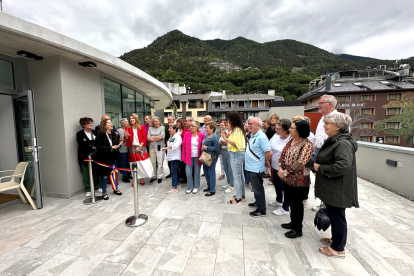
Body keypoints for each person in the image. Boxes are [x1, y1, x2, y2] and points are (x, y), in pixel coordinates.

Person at [313, 113, 358, 258]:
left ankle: (338, 248)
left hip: (337, 188)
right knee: (334, 215)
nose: (324, 125)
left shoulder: (342, 143)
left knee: (337, 216)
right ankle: (336, 240)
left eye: (328, 123)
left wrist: (319, 168)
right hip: (332, 186)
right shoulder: (335, 140)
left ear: (338, 126)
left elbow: (343, 166)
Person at [278, 120, 313, 238]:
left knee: (297, 205)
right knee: (292, 202)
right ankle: (293, 223)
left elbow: (301, 162)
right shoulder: (291, 140)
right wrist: (280, 168)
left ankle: (297, 229)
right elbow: (283, 155)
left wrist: (286, 172)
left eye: (292, 128)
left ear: (299, 130)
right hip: (287, 178)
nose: (289, 130)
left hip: (299, 180)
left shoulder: (307, 144)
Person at [313, 95, 340, 211]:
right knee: (321, 179)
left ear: (330, 104)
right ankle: (323, 203)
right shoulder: (322, 117)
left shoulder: (337, 118)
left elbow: (341, 138)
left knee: (328, 179)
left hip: (329, 152)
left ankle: (328, 205)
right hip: (320, 151)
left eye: (321, 103)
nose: (318, 105)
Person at [245, 117, 273, 217]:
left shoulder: (261, 137)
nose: (249, 125)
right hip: (251, 167)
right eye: (248, 123)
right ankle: (258, 202)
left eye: (251, 123)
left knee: (258, 189)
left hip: (256, 168)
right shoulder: (253, 135)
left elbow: (269, 152)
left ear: (257, 125)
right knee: (256, 187)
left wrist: (263, 161)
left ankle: (261, 210)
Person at [94, 119, 123, 200]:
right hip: (104, 158)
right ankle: (104, 192)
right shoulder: (100, 135)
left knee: (114, 173)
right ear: (105, 125)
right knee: (104, 176)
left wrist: (119, 145)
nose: (111, 124)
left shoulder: (114, 135)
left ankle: (115, 188)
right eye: (109, 123)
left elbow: (115, 144)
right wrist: (110, 147)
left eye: (111, 122)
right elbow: (99, 147)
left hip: (114, 157)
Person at [268, 119, 291, 215]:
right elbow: (269, 147)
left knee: (285, 188)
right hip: (274, 165)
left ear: (286, 130)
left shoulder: (291, 139)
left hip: (285, 168)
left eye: (279, 129)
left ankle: (285, 208)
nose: (276, 130)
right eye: (275, 128)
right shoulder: (275, 136)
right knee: (276, 184)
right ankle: (278, 200)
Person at [222, 111, 246, 204]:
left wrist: (226, 139)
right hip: (237, 154)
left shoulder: (236, 130)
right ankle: (241, 195)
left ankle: (239, 198)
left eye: (228, 121)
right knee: (240, 176)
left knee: (237, 177)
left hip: (236, 154)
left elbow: (237, 144)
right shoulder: (238, 129)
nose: (227, 123)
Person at [76, 117, 101, 197]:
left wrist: (89, 143)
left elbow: (98, 142)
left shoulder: (95, 132)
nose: (91, 124)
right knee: (86, 172)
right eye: (88, 123)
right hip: (85, 156)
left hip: (96, 155)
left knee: (97, 171)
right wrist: (91, 143)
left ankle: (97, 186)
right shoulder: (80, 134)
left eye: (91, 122)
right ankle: (88, 189)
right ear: (83, 125)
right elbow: (83, 145)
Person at [126, 114, 152, 186]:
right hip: (132, 148)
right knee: (133, 164)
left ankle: (141, 178)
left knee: (142, 164)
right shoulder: (128, 128)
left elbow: (144, 138)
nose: (131, 120)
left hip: (141, 147)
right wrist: (126, 136)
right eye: (130, 118)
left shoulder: (141, 127)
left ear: (136, 119)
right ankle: (135, 180)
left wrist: (139, 147)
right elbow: (126, 139)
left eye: (133, 118)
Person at [182, 121, 204, 194]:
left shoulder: (201, 135)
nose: (191, 127)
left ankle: (196, 187)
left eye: (193, 126)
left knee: (197, 173)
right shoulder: (186, 134)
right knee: (188, 173)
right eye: (190, 126)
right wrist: (183, 157)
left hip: (198, 157)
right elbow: (184, 146)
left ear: (197, 127)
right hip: (188, 156)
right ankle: (190, 187)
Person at [163, 124, 183, 194]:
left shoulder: (178, 137)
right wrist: (168, 157)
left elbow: (175, 146)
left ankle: (174, 187)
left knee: (173, 171)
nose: (169, 129)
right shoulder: (171, 136)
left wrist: (166, 148)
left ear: (175, 129)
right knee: (176, 170)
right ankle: (177, 183)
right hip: (171, 156)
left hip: (175, 156)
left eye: (170, 128)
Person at [202, 122, 220, 196]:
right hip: (205, 155)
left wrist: (206, 148)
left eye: (207, 128)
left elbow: (217, 148)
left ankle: (212, 189)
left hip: (211, 156)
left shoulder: (215, 137)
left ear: (212, 129)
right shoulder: (207, 136)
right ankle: (209, 186)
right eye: (205, 128)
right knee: (206, 172)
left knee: (211, 173)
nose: (205, 129)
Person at [148, 116, 165, 183]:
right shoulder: (150, 128)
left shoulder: (162, 127)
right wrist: (157, 137)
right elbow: (148, 138)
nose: (157, 122)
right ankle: (154, 176)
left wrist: (153, 137)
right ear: (153, 122)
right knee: (152, 162)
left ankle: (159, 176)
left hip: (160, 147)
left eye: (158, 121)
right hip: (151, 147)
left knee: (160, 162)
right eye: (155, 121)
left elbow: (161, 137)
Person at [219, 121, 234, 193]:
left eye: (228, 124)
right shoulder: (225, 132)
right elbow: (221, 141)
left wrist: (224, 141)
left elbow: (228, 142)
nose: (227, 125)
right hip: (223, 151)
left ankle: (232, 185)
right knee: (225, 168)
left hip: (229, 151)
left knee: (230, 168)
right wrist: (224, 141)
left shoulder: (233, 133)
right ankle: (229, 182)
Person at [117, 118, 131, 183]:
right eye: (125, 122)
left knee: (128, 162)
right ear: (122, 123)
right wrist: (125, 140)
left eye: (127, 121)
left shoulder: (129, 129)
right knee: (124, 162)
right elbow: (118, 139)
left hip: (129, 148)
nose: (127, 123)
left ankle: (128, 174)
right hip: (122, 148)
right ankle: (124, 176)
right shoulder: (119, 130)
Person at [164, 115, 175, 179]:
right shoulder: (165, 126)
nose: (169, 121)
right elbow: (163, 135)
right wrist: (166, 141)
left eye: (170, 120)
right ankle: (170, 172)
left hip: (174, 146)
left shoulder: (176, 126)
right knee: (168, 160)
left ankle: (175, 172)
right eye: (168, 119)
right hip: (167, 145)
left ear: (173, 120)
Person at [176, 118, 187, 183]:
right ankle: (181, 176)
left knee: (183, 163)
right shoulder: (177, 129)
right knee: (179, 163)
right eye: (177, 122)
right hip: (178, 147)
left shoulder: (184, 129)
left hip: (182, 146)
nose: (178, 124)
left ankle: (184, 176)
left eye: (179, 122)